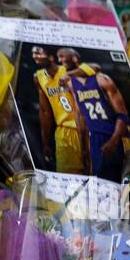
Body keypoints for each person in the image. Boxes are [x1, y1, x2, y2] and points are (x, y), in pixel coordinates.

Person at [59, 48, 130, 183]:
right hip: (94, 138)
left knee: (120, 181)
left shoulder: (102, 79)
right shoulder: (72, 85)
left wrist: (113, 141)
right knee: (100, 182)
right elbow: (80, 115)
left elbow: (123, 115)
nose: (60, 60)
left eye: (63, 56)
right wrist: (83, 148)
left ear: (75, 58)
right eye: (59, 57)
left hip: (115, 135)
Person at [32, 44, 88, 174]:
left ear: (51, 57)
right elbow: (45, 111)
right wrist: (45, 142)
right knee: (68, 178)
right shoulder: (38, 77)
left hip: (85, 128)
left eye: (39, 52)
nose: (35, 56)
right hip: (64, 132)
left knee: (91, 173)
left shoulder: (69, 70)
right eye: (33, 53)